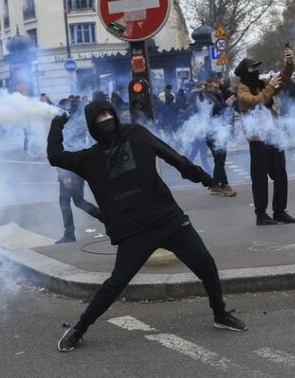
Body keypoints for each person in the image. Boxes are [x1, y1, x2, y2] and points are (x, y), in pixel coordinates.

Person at [48, 99, 246, 353]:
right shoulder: (90, 158)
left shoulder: (136, 134)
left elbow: (173, 157)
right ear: (91, 126)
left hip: (168, 219)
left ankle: (220, 313)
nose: (106, 118)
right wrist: (57, 121)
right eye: (99, 117)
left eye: (109, 113)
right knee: (115, 284)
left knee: (206, 264)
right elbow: (55, 156)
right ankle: (79, 328)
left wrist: (206, 180)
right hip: (134, 232)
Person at [236, 47, 295, 225]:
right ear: (243, 72)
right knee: (260, 178)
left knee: (280, 175)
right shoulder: (242, 90)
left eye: (256, 68)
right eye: (252, 68)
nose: (256, 71)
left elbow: (283, 79)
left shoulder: (262, 84)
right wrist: (270, 87)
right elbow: (255, 102)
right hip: (258, 140)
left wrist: (289, 63)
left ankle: (279, 211)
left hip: (273, 137)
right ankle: (261, 215)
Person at [54, 99, 102, 244]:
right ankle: (107, 219)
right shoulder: (78, 126)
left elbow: (65, 152)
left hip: (70, 172)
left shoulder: (69, 130)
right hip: (75, 170)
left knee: (66, 201)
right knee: (77, 201)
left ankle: (69, 234)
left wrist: (65, 176)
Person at [202, 76, 237, 197]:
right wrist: (226, 104)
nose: (217, 85)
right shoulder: (204, 96)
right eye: (214, 82)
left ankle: (216, 185)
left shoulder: (216, 95)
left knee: (220, 159)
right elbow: (213, 112)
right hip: (212, 133)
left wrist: (226, 102)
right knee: (220, 158)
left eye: (217, 82)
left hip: (219, 131)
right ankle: (224, 185)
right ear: (207, 84)